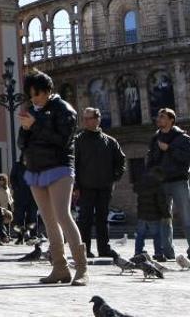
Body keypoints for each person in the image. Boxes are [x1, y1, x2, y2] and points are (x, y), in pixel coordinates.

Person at [18, 69, 87, 286]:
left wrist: (35, 124)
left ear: (48, 91)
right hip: (35, 168)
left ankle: (82, 269)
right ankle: (60, 268)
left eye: (37, 94)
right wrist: (27, 129)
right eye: (30, 95)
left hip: (59, 167)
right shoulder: (32, 110)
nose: (33, 99)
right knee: (48, 220)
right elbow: (21, 143)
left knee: (62, 215)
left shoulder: (64, 109)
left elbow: (63, 140)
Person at [74, 107, 126, 258]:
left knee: (103, 219)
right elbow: (73, 164)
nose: (85, 121)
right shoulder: (79, 140)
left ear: (97, 119)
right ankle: (85, 249)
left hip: (105, 187)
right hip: (85, 187)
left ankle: (104, 249)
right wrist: (76, 186)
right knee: (85, 220)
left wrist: (114, 177)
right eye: (84, 118)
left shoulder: (110, 141)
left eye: (88, 118)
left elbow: (121, 161)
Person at [145, 108, 190, 261]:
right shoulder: (155, 138)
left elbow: (186, 158)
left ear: (171, 120)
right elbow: (151, 159)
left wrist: (169, 149)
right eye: (158, 116)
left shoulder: (183, 138)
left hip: (179, 182)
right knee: (164, 218)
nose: (159, 119)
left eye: (162, 117)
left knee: (186, 217)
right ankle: (167, 252)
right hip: (161, 183)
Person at [133, 168, 169, 258]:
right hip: (154, 216)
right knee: (157, 235)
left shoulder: (141, 183)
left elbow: (135, 189)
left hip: (142, 215)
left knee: (140, 235)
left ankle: (138, 252)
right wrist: (166, 215)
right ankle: (158, 253)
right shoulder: (158, 185)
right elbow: (161, 202)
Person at [10, 160, 40, 243]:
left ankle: (33, 235)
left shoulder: (35, 164)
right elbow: (12, 178)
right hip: (20, 195)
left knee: (32, 216)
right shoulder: (17, 165)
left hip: (33, 195)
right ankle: (20, 237)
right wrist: (16, 188)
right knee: (19, 217)